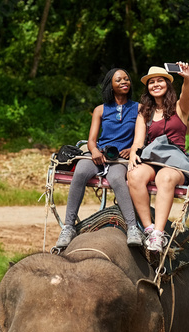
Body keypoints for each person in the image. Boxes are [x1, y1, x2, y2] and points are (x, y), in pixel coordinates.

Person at [55, 68, 143, 248]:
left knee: (117, 178)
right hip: (99, 153)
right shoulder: (100, 110)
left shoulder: (139, 108)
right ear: (110, 85)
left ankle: (133, 227)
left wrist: (131, 148)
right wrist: (94, 151)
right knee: (80, 172)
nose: (124, 82)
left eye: (126, 79)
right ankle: (69, 227)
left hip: (120, 157)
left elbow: (143, 137)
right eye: (119, 80)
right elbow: (91, 140)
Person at [127, 62, 189, 252]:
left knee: (164, 177)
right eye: (151, 82)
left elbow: (186, 92)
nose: (155, 84)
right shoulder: (144, 112)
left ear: (167, 84)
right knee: (135, 175)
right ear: (147, 87)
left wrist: (187, 77)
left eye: (160, 81)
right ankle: (148, 228)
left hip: (175, 162)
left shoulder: (180, 108)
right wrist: (133, 154)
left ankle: (158, 233)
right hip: (153, 159)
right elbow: (138, 142)